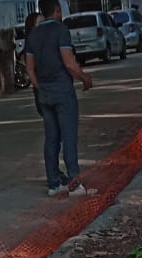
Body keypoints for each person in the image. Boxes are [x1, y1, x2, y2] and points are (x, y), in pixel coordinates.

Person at [24, 0, 98, 198]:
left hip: (44, 94)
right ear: (57, 10)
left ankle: (53, 184)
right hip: (63, 91)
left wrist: (41, 88)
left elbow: (30, 69)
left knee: (51, 139)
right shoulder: (61, 30)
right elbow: (69, 64)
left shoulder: (33, 35)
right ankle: (74, 183)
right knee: (69, 137)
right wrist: (85, 78)